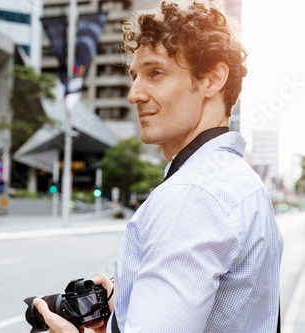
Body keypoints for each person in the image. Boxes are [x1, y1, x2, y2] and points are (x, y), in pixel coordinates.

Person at [34, 0, 284, 332]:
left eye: (156, 73)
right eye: (134, 76)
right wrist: (122, 309)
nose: (134, 93)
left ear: (212, 78)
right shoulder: (242, 182)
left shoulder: (193, 195)